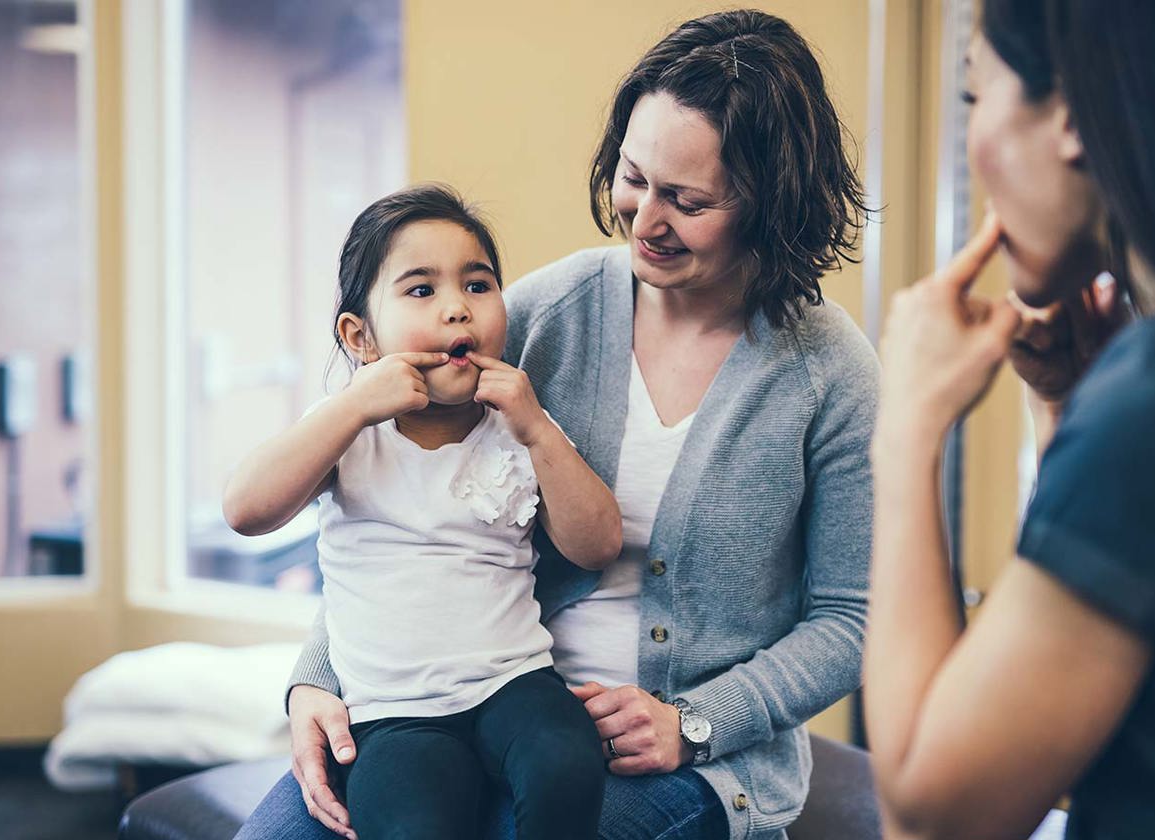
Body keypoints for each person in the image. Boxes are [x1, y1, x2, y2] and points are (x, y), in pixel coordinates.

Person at [236, 9, 878, 840]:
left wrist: (696, 722)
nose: (644, 218)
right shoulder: (542, 313)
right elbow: (401, 510)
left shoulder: (829, 372)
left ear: (769, 203)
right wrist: (317, 678)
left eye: (686, 200)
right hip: (435, 707)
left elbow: (849, 620)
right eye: (634, 176)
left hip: (674, 759)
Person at [865, 1, 1155, 838]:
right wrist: (1070, 408)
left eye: (977, 99)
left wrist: (906, 428)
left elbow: (933, 818)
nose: (974, 138)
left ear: (1073, 116)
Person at [223, 184, 619, 840]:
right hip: (393, 714)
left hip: (515, 685)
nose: (458, 311)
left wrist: (539, 431)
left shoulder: (519, 426)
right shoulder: (349, 434)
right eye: (421, 291)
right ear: (360, 336)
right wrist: (352, 405)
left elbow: (597, 545)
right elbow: (246, 509)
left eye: (478, 285)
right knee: (409, 825)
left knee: (568, 767)